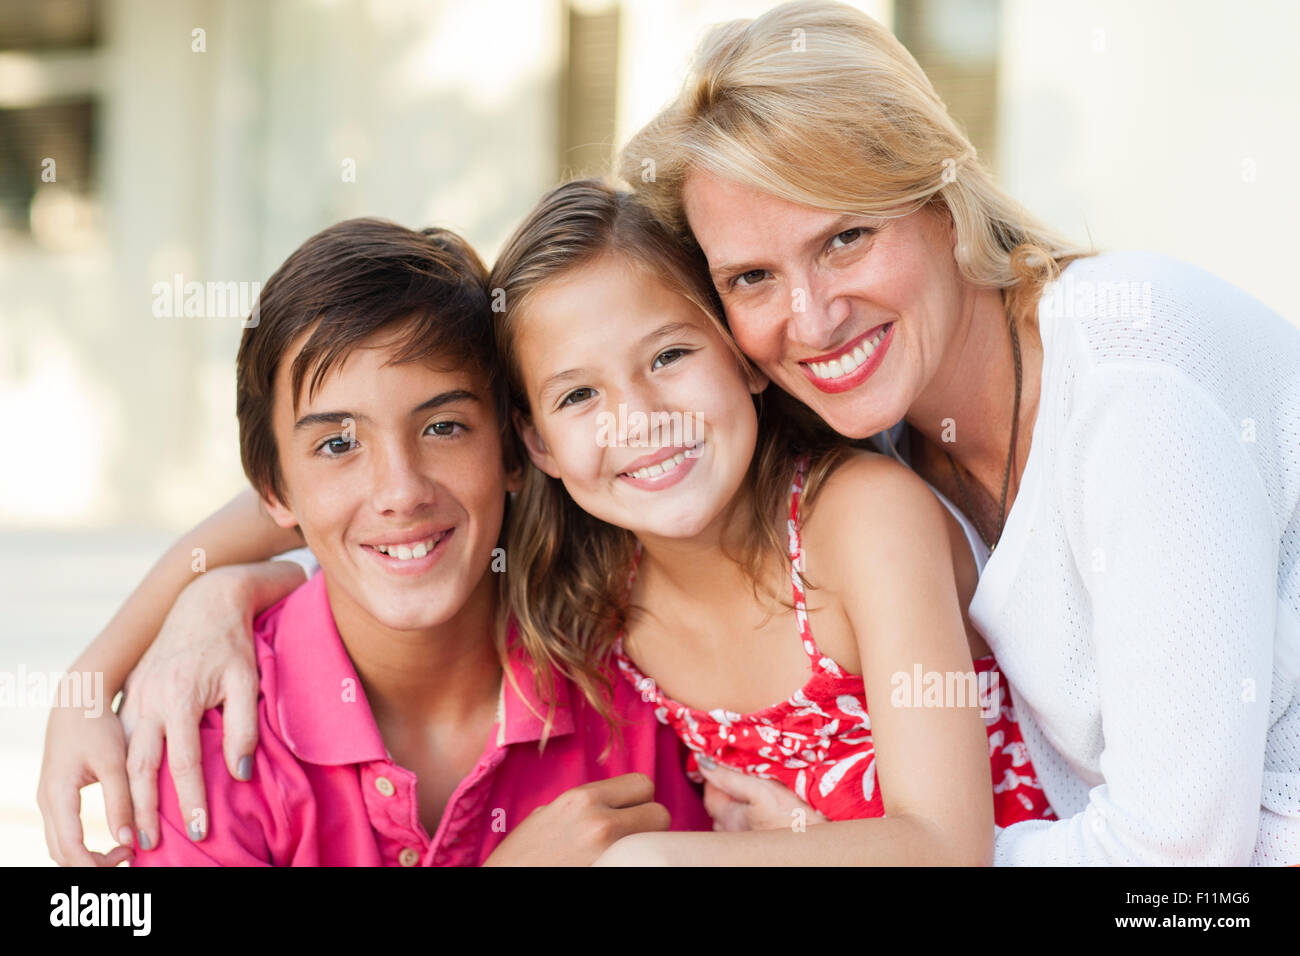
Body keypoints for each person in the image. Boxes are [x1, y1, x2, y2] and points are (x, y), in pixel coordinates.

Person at [615, 0, 1300, 864]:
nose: (814, 319)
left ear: (943, 198)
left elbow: (1179, 862)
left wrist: (849, 851)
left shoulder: (1131, 375)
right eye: (752, 277)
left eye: (846, 238)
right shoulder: (879, 449)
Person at [58, 217, 711, 866]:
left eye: (444, 427)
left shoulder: (636, 689)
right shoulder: (205, 736)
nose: (401, 490)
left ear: (514, 452)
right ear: (275, 490)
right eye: (339, 445)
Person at [493, 178, 1053, 865]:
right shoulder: (601, 602)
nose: (638, 417)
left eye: (669, 356)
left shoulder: (861, 524)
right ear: (539, 444)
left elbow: (945, 845)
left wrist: (657, 861)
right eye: (579, 394)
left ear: (743, 358)